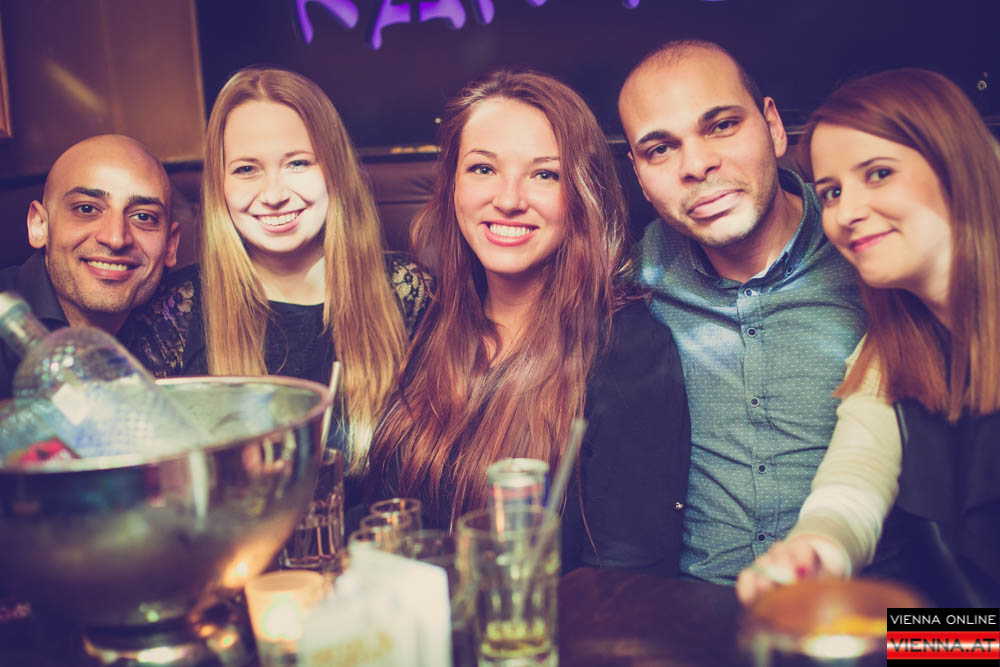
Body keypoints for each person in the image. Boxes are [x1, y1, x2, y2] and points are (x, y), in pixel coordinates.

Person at [368, 69, 691, 575]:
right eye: (483, 168)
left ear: (583, 194)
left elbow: (627, 580)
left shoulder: (629, 352)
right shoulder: (430, 321)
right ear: (452, 185)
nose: (509, 199)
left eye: (545, 175)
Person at [737, 68, 1000, 607]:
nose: (847, 213)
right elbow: (853, 483)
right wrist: (813, 552)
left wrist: (912, 642)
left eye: (878, 174)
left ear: (957, 165)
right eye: (831, 192)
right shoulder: (891, 350)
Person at [618, 40, 867, 584]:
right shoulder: (629, 279)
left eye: (722, 125)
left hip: (868, 612)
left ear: (774, 127)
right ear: (639, 175)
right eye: (660, 149)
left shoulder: (866, 249)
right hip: (689, 612)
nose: (697, 165)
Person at [143, 66, 430, 499]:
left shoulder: (407, 292)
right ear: (220, 184)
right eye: (246, 169)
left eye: (297, 163)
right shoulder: (177, 311)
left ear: (333, 170)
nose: (274, 194)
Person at [0, 134, 181, 397]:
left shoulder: (179, 326)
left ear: (170, 245)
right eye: (86, 209)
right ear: (39, 225)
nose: (116, 238)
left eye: (143, 216)